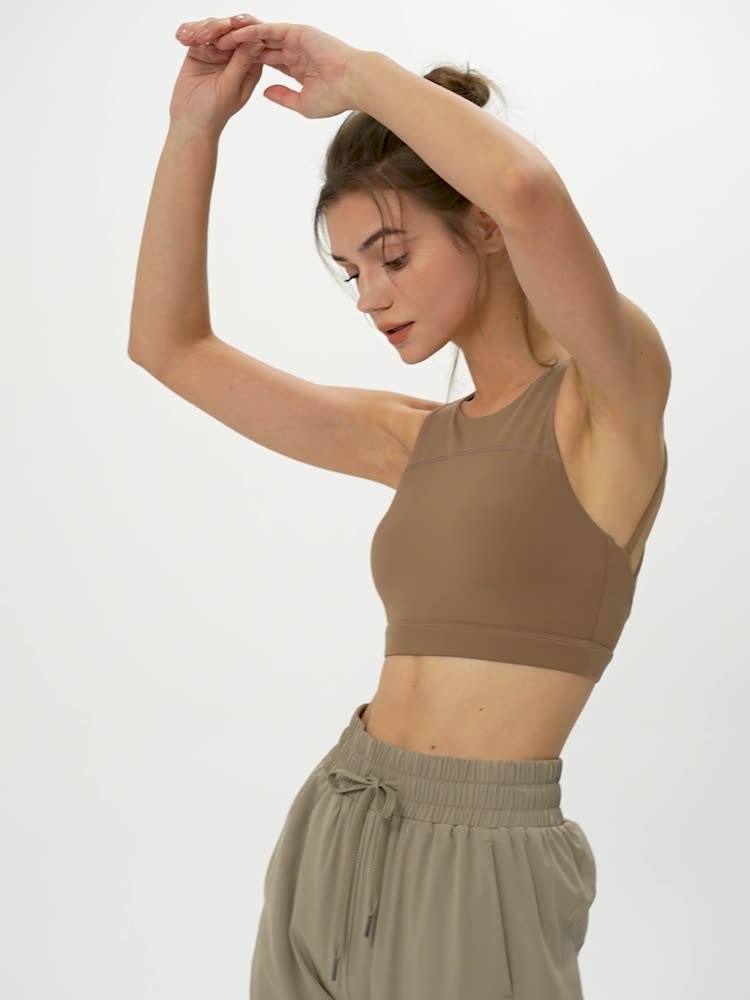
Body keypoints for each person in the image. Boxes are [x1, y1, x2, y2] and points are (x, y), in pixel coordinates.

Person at [129, 16, 671, 999]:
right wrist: (193, 129)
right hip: (340, 816)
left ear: (483, 227)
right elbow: (168, 348)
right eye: (353, 272)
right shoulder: (413, 440)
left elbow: (528, 189)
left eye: (392, 254)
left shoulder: (607, 405)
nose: (370, 296)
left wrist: (358, 76)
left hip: (483, 864)